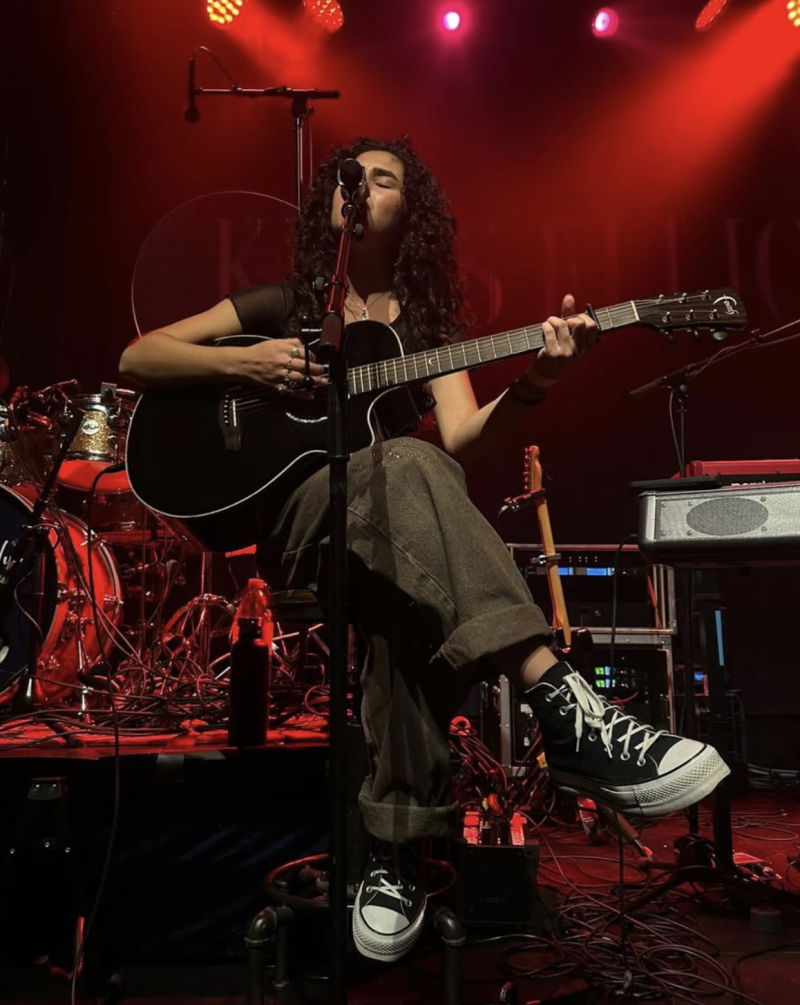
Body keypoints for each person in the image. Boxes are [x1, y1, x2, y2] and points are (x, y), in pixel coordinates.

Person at [120, 136, 729, 964]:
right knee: (412, 462)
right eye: (352, 178)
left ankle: (396, 852)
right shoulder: (283, 305)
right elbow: (138, 355)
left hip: (388, 533)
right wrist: (258, 362)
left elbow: (466, 432)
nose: (362, 187)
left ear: (411, 213)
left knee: (404, 573)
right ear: (329, 206)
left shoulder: (424, 328)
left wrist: (540, 378)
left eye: (384, 179)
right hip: (298, 523)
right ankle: (569, 709)